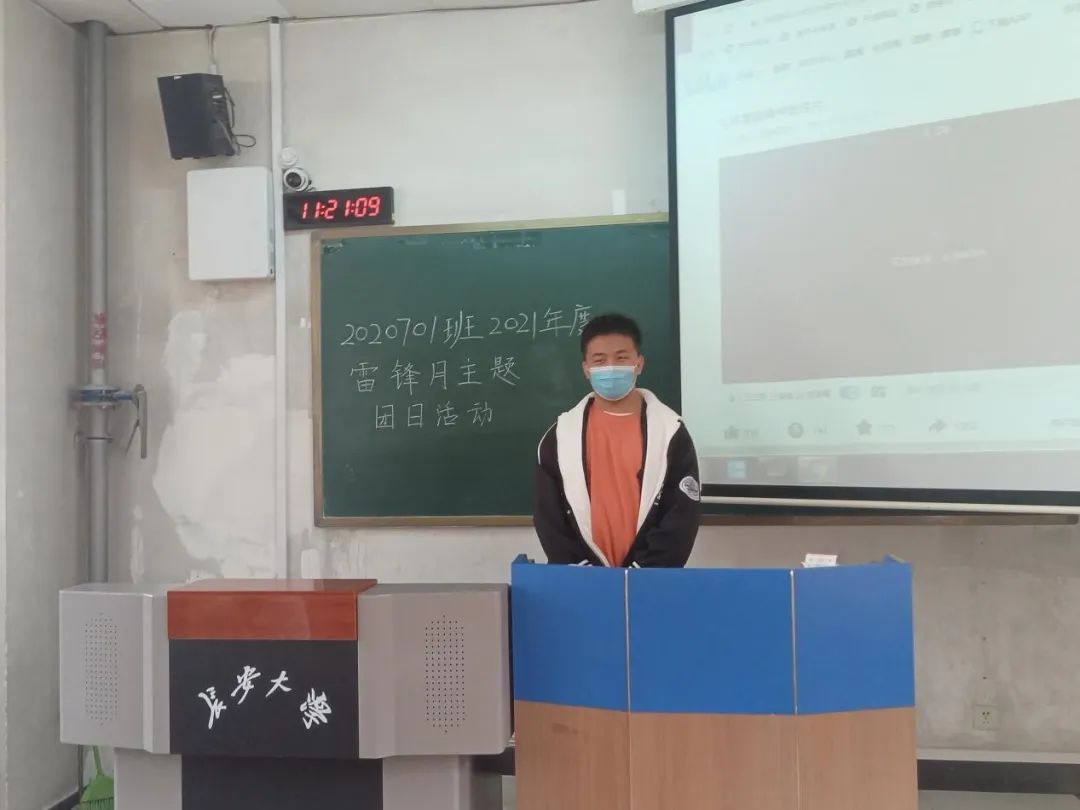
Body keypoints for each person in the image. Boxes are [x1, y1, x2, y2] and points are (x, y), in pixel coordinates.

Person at [533, 313, 701, 568]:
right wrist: (582, 570)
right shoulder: (559, 436)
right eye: (599, 360)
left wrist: (642, 572)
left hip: (650, 580)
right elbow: (549, 517)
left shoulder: (671, 432)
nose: (610, 367)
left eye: (621, 358)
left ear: (639, 364)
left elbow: (681, 515)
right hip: (581, 579)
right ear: (586, 369)